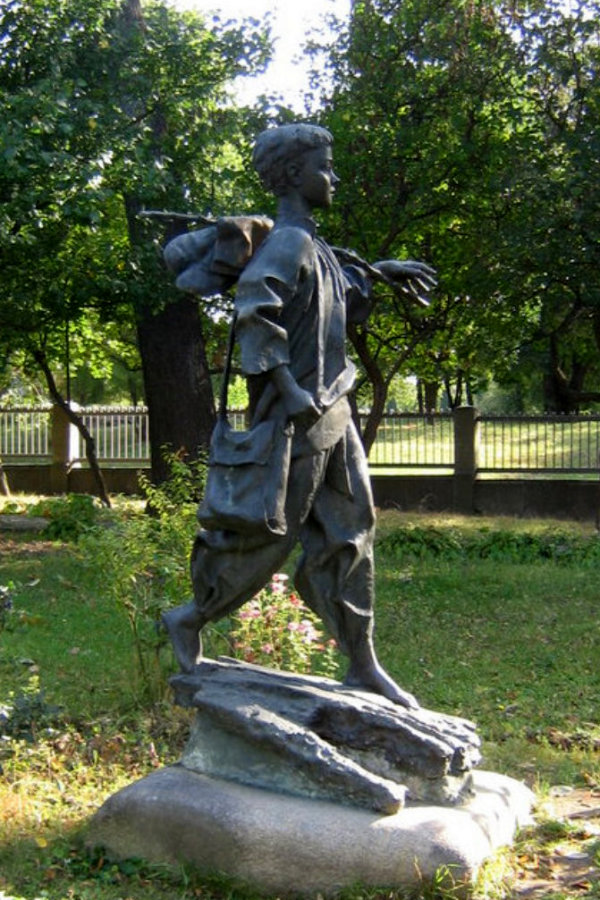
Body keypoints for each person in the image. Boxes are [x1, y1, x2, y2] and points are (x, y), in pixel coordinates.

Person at [162, 123, 435, 709]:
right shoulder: (287, 243)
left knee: (351, 538)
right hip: (299, 421)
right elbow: (256, 312)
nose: (333, 177)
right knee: (266, 537)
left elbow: (337, 299)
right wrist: (288, 391)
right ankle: (190, 617)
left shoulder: (315, 249)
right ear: (292, 174)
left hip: (333, 413)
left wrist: (381, 270)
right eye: (325, 166)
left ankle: (362, 663)